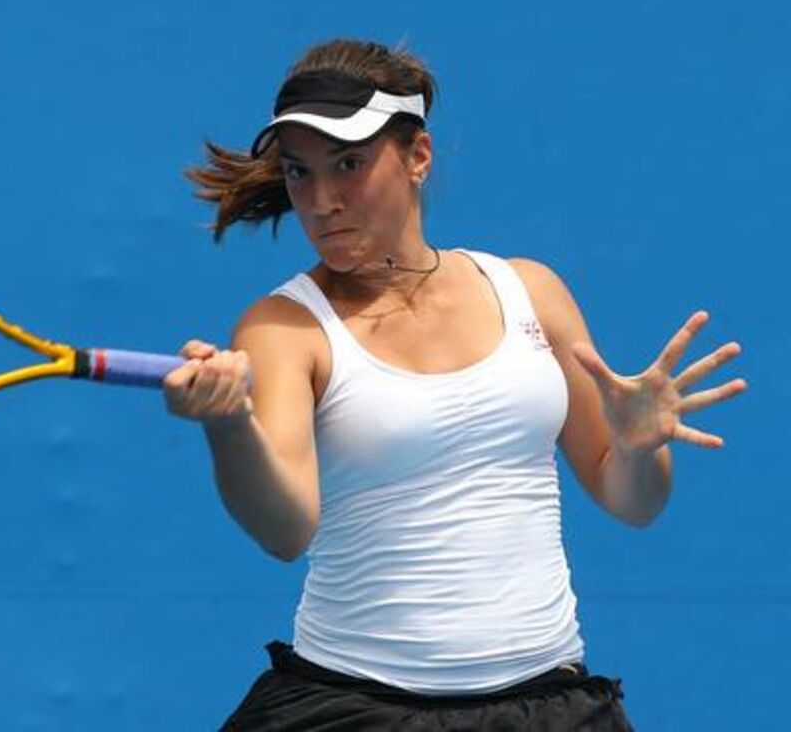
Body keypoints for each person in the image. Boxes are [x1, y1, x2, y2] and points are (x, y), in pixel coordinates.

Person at [164, 39, 747, 731]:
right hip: (353, 712)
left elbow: (635, 502)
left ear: (418, 156)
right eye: (299, 173)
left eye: (348, 164)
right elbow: (285, 530)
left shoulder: (532, 291)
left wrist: (637, 448)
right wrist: (229, 424)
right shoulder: (284, 326)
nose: (321, 202)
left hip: (547, 708)